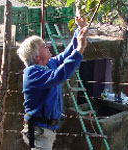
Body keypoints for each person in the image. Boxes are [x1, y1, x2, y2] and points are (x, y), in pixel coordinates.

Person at [16, 16, 89, 150]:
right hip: (39, 132)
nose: (48, 46)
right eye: (44, 46)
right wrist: (79, 50)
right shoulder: (32, 73)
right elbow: (59, 75)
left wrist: (79, 31)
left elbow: (66, 55)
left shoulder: (48, 64)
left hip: (45, 131)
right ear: (36, 57)